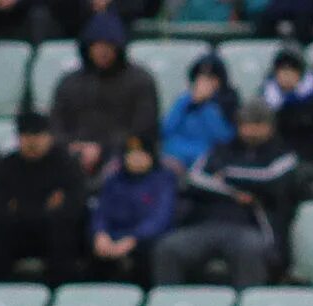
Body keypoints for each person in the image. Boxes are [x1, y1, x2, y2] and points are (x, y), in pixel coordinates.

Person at [154, 102, 301, 289]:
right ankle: (173, 304)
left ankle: (248, 304)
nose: (252, 130)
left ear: (271, 127)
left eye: (259, 124)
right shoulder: (219, 150)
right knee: (168, 248)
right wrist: (234, 193)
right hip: (206, 223)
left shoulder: (283, 155)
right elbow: (193, 181)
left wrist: (227, 174)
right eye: (247, 124)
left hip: (250, 226)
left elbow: (270, 182)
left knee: (250, 250)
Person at [0, 113, 86, 287]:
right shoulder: (8, 165)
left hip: (54, 231)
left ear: (49, 137)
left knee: (63, 236)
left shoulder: (66, 165)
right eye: (26, 136)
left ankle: (59, 291)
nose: (32, 142)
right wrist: (40, 208)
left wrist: (22, 207)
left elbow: (74, 205)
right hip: (17, 231)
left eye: (37, 136)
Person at [49, 12, 160, 175]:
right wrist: (72, 146)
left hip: (123, 154)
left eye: (109, 46)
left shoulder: (140, 81)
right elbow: (56, 123)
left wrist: (102, 147)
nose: (103, 51)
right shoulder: (70, 83)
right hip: (72, 153)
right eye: (97, 45)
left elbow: (143, 127)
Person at [90, 137, 177, 286]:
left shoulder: (163, 180)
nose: (136, 158)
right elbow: (101, 212)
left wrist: (133, 239)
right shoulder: (114, 180)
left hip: (146, 240)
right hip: (114, 237)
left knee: (155, 251)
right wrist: (100, 233)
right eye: (131, 154)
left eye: (141, 154)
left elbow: (160, 219)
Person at [162, 54, 237, 172]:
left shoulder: (228, 101)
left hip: (208, 158)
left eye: (211, 78)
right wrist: (189, 103)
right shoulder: (183, 100)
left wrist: (205, 105)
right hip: (175, 155)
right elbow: (166, 129)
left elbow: (225, 137)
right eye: (201, 78)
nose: (205, 83)